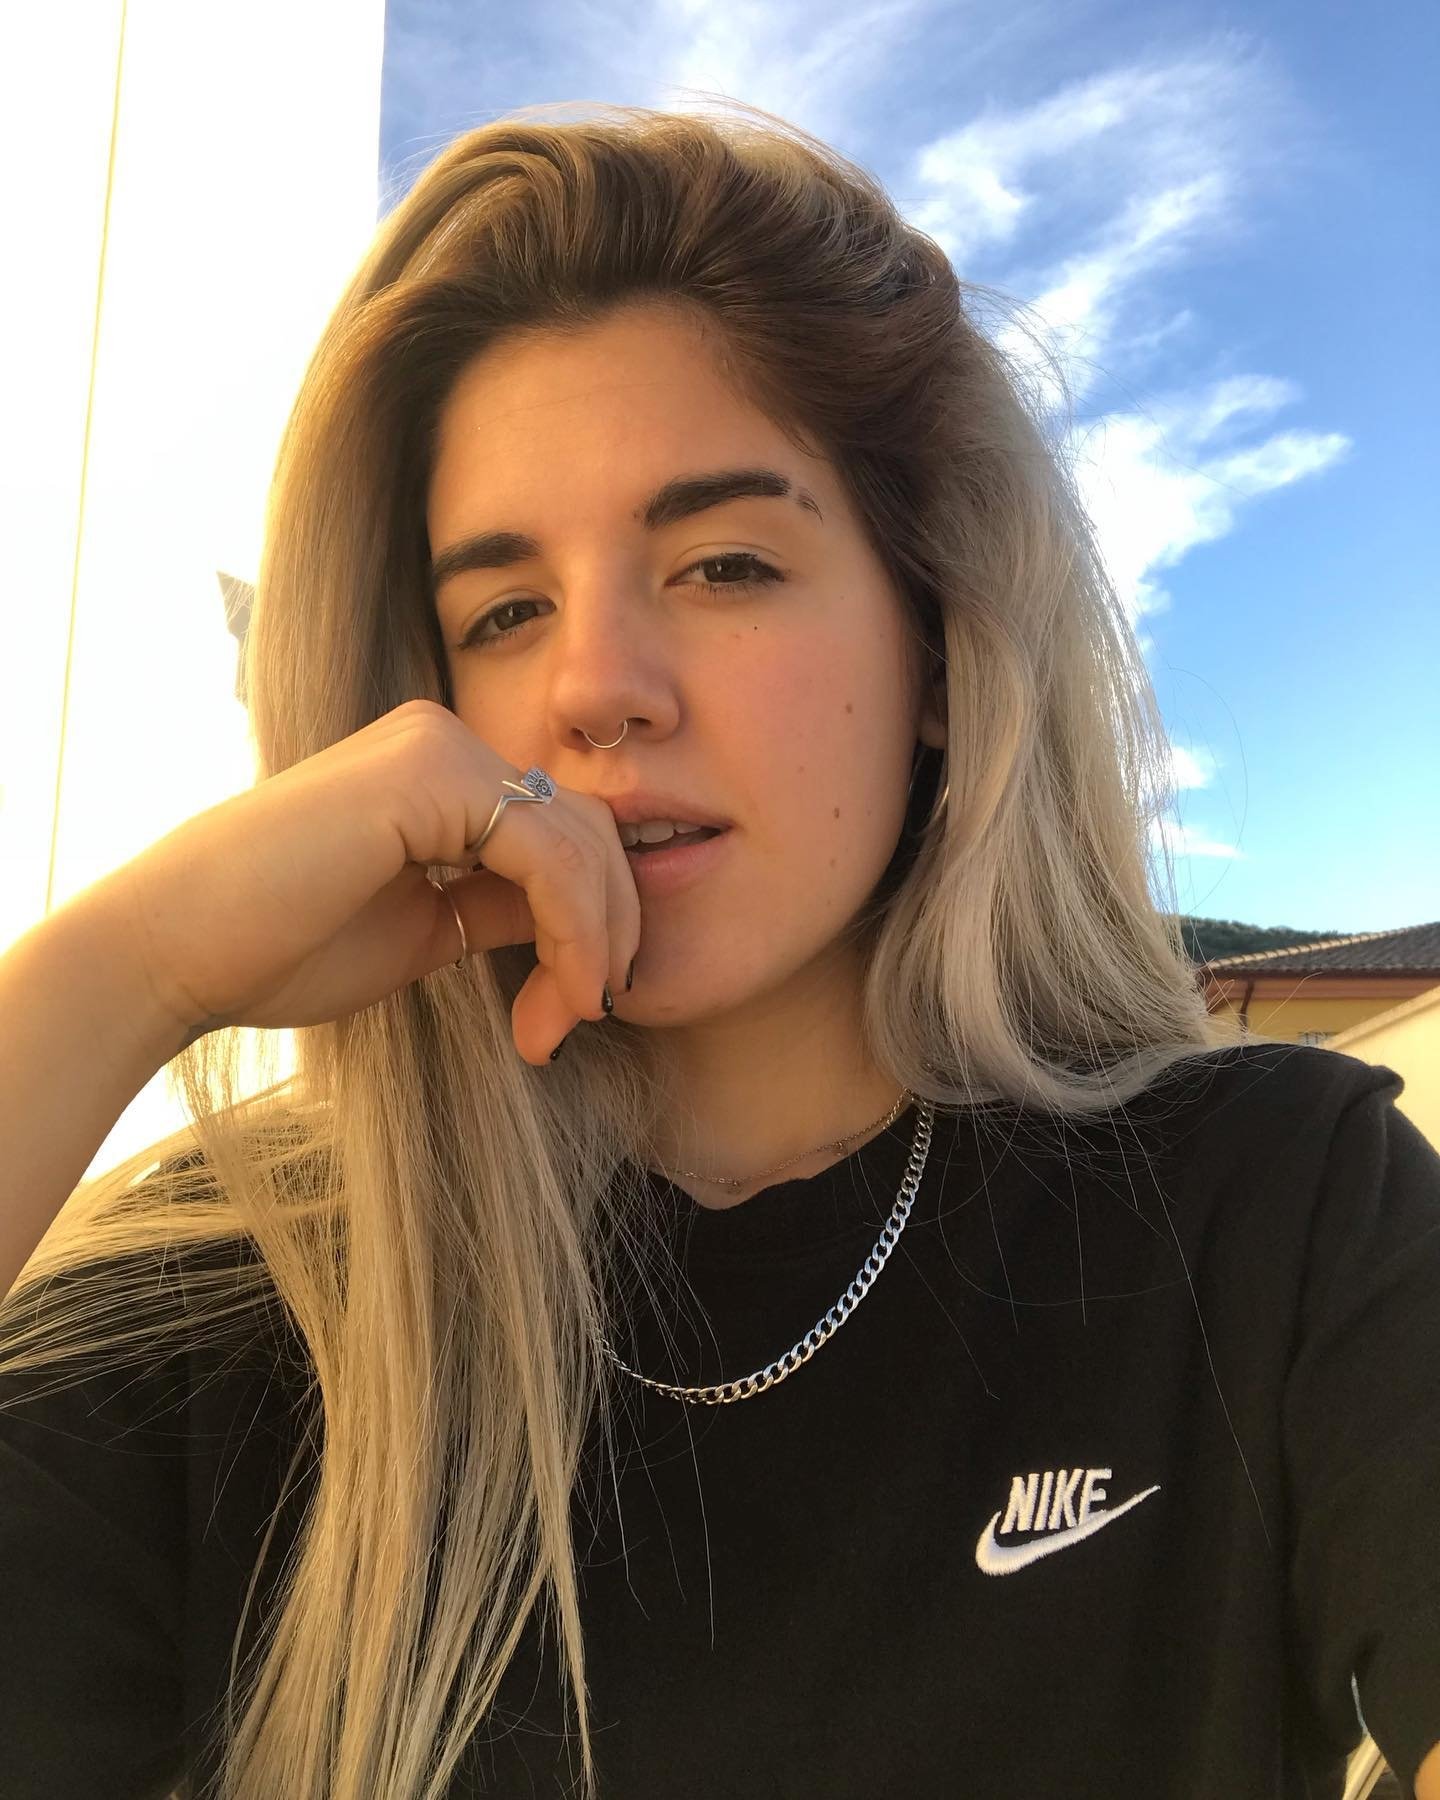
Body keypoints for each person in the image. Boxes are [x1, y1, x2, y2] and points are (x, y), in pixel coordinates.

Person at [0, 98, 1436, 1800]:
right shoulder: (232, 1298)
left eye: (724, 564)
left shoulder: (1271, 1207)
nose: (596, 687)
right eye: (504, 611)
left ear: (940, 645)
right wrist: (126, 973)